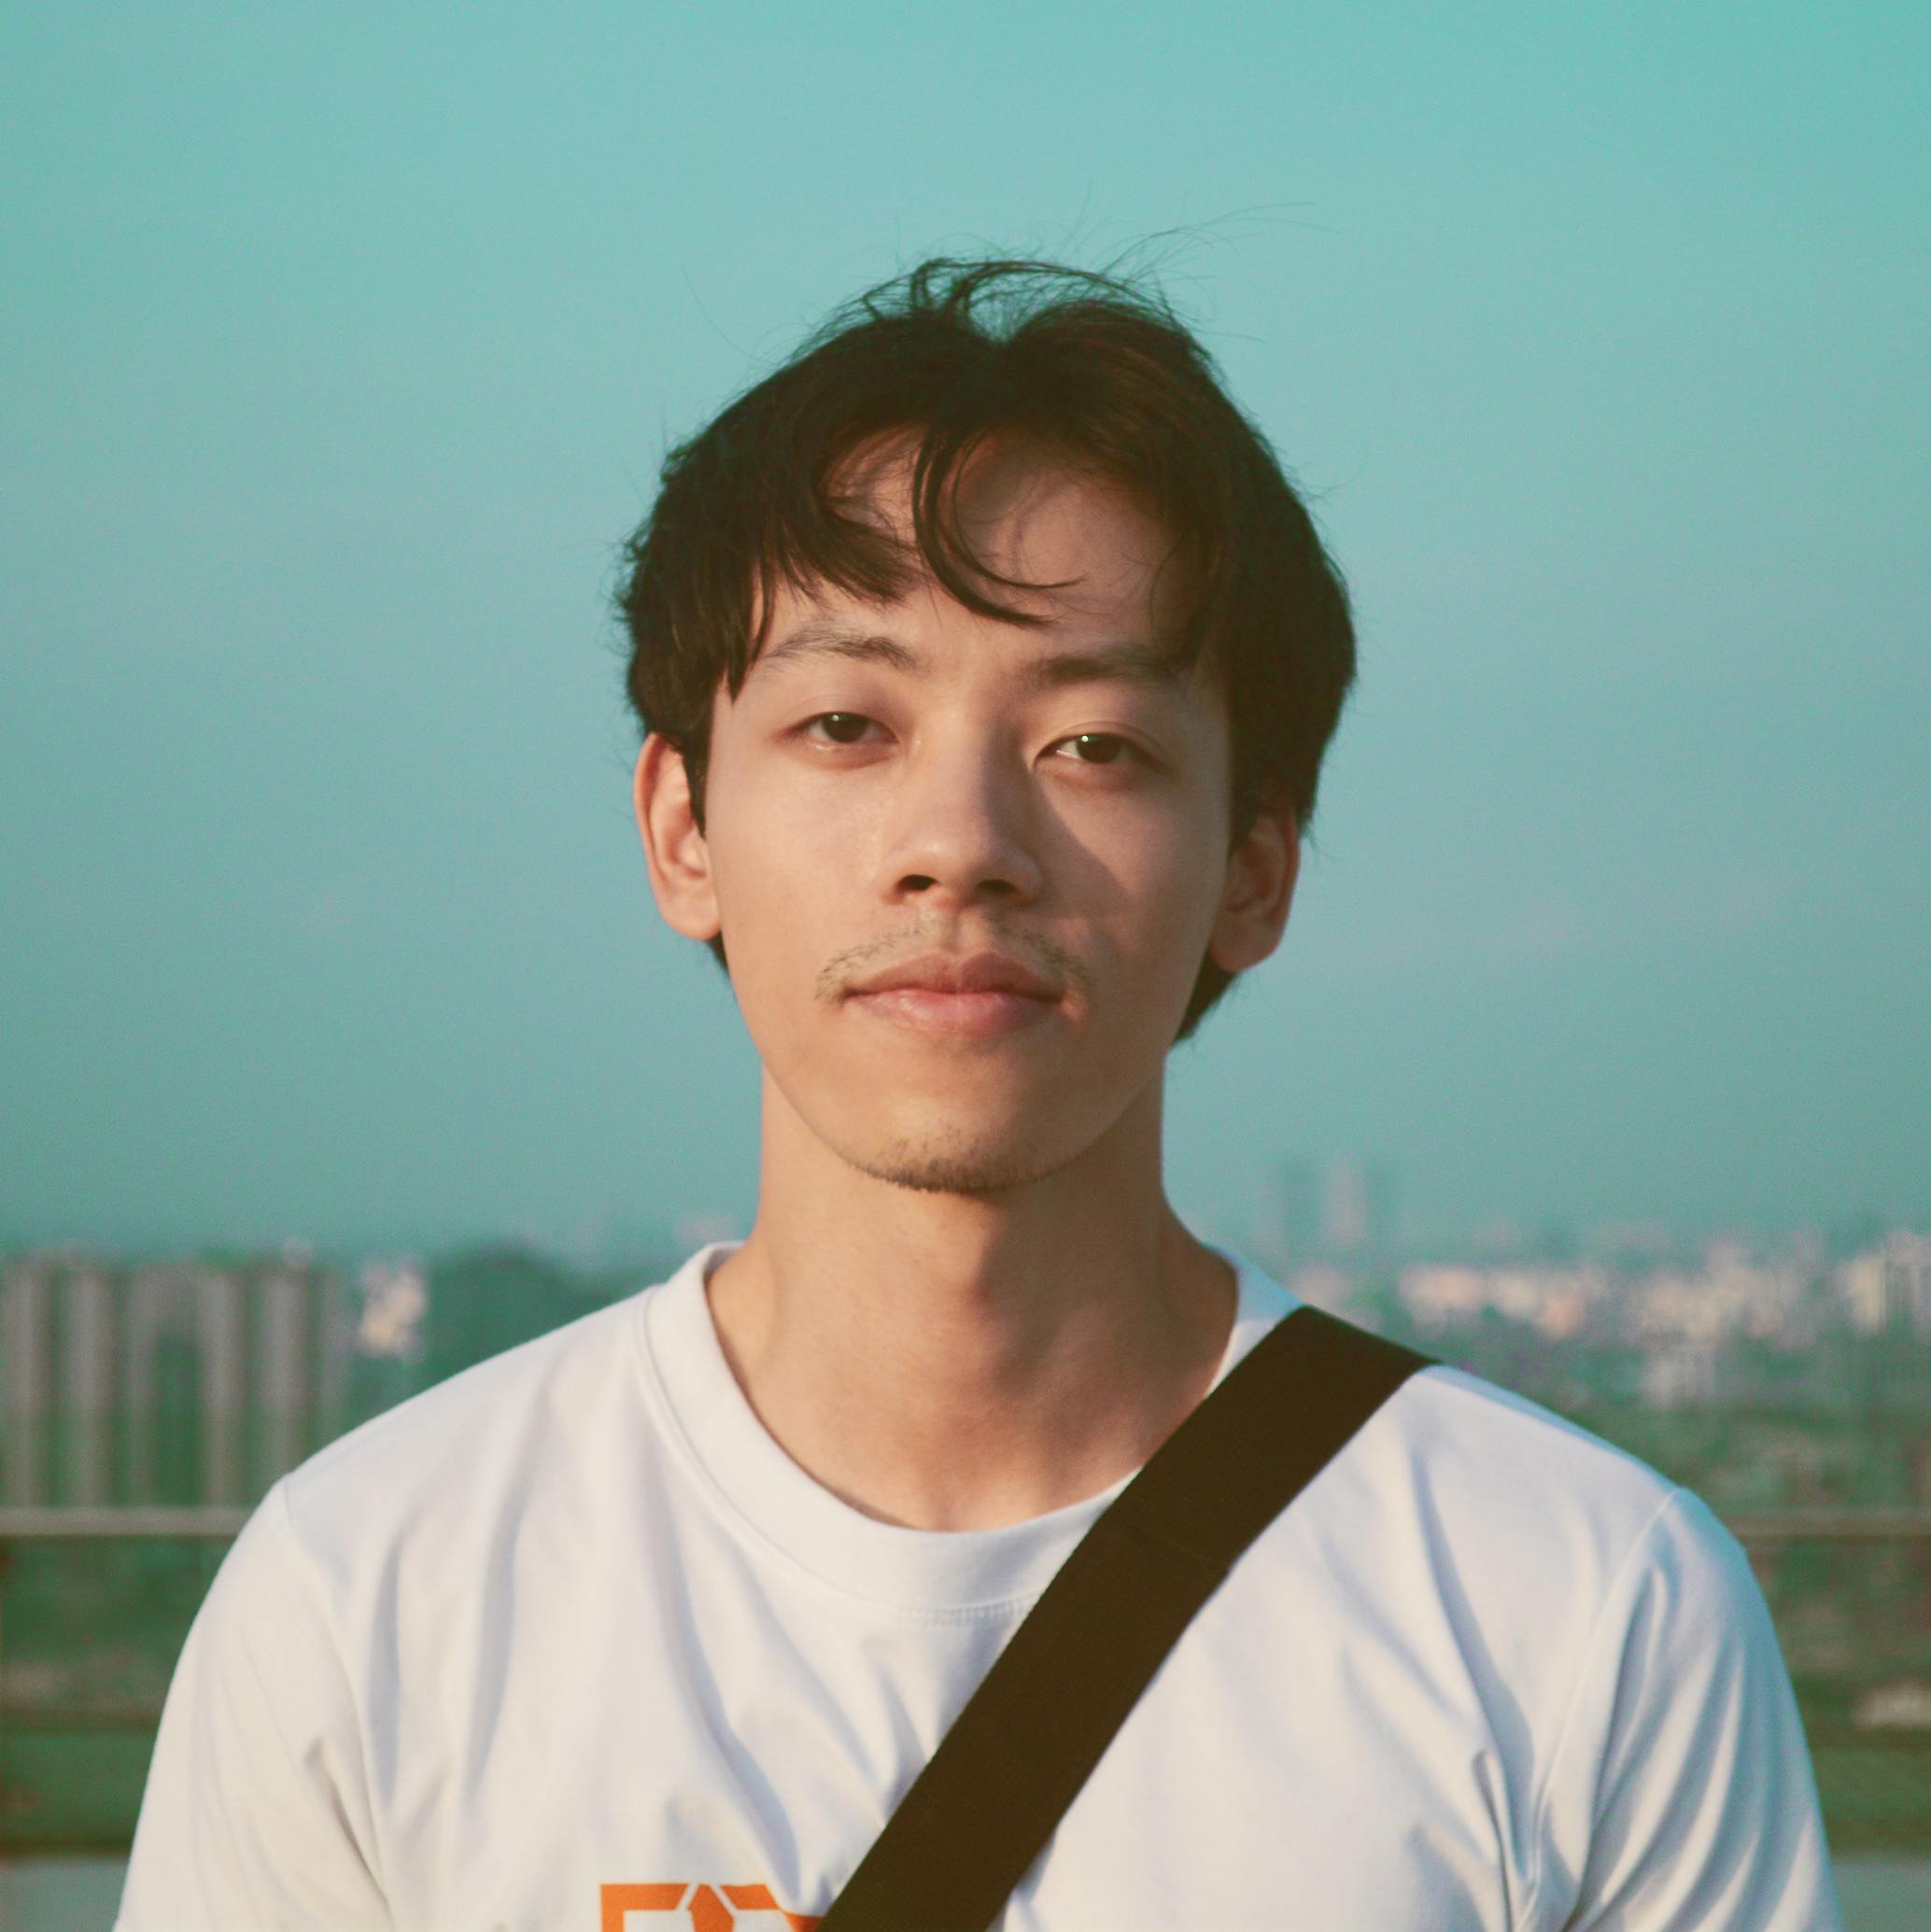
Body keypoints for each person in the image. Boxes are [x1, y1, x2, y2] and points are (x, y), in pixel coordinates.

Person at [118, 257, 1841, 1930]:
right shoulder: (372, 1599)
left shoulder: (1584, 1609)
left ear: (1256, 868)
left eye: (1093, 743)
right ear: (681, 826)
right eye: (847, 726)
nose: (962, 845)